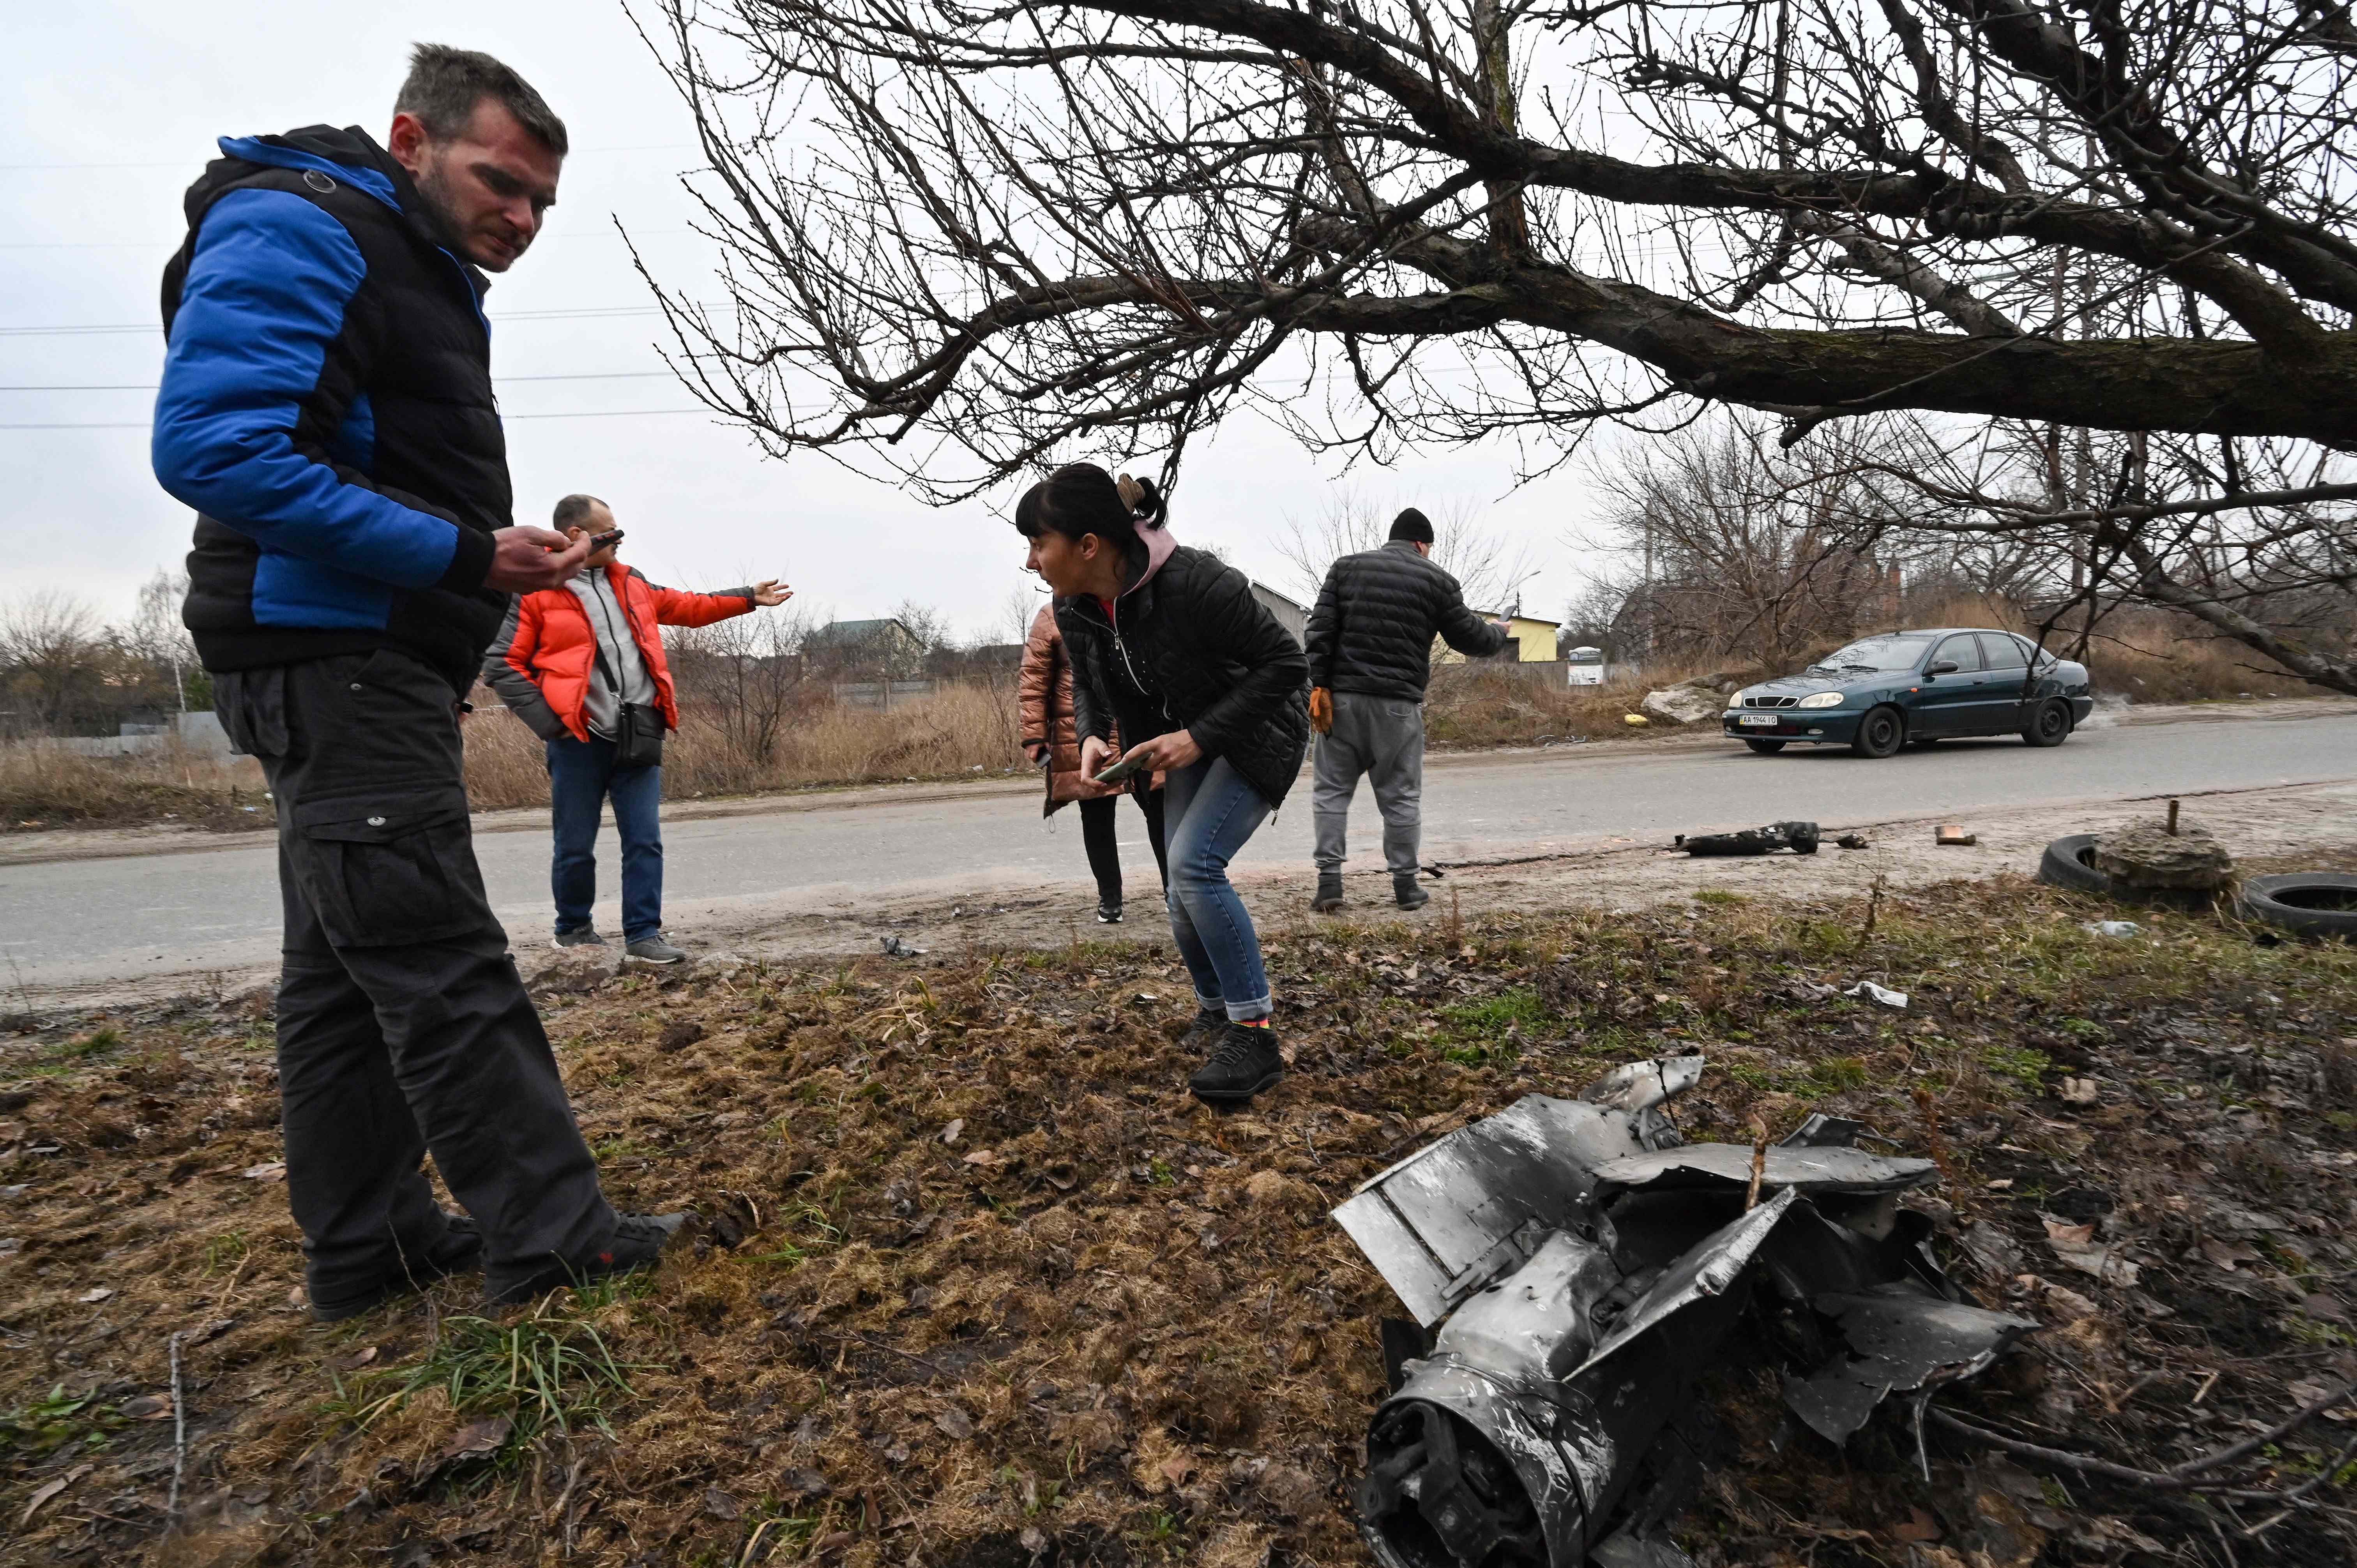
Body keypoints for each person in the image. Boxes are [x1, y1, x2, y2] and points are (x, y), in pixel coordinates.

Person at [151, 44, 682, 1314]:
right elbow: (213, 446)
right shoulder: (309, 226)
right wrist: (462, 552)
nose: (523, 217)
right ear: (409, 140)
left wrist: (475, 567)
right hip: (334, 654)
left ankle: (369, 1243)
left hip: (353, 651)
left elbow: (351, 452)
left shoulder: (401, 261)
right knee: (440, 956)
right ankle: (551, 1232)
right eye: (501, 182)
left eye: (543, 202)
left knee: (344, 973)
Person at [1015, 464, 1309, 1105]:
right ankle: (1214, 1011)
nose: (1032, 561)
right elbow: (1092, 683)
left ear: (1088, 545)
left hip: (1255, 730)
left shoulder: (1196, 582)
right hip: (1175, 741)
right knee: (1179, 886)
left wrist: (1197, 738)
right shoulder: (1073, 605)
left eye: (1039, 544)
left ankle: (1253, 1034)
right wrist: (1094, 734)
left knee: (1195, 865)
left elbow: (1286, 664)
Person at [481, 495, 790, 962]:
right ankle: (573, 930)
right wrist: (552, 724)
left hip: (640, 732)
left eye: (618, 528)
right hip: (578, 740)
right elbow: (502, 662)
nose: (619, 538)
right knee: (575, 844)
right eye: (608, 531)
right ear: (574, 537)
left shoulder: (632, 582)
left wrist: (748, 597)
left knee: (644, 839)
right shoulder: (533, 592)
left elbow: (688, 606)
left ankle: (644, 934)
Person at [1303, 507, 1509, 913]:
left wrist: (1320, 686)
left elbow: (1320, 631)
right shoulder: (1437, 581)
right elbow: (1469, 637)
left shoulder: (1345, 569)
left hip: (1341, 701)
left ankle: (1329, 886)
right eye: (1429, 548)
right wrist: (1498, 634)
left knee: (1331, 792)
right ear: (1421, 544)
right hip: (1398, 707)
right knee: (1400, 796)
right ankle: (1406, 887)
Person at [1018, 601, 1168, 923]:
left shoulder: (1126, 603)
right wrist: (1034, 735)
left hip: (1136, 723)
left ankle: (1177, 892)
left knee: (1159, 807)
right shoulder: (1050, 617)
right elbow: (1034, 678)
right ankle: (1110, 899)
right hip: (1081, 730)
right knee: (1097, 816)